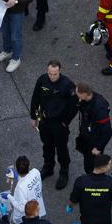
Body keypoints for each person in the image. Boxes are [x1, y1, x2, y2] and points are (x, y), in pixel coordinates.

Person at [30, 61, 77, 190]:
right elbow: (35, 99)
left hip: (59, 124)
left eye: (55, 74)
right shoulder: (42, 80)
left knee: (61, 148)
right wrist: (35, 117)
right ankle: (48, 167)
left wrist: (65, 122)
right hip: (45, 121)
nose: (52, 76)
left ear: (60, 71)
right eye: (50, 73)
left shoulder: (67, 85)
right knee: (47, 145)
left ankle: (64, 172)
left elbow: (74, 105)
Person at [75, 83, 112, 175]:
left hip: (94, 142)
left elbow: (108, 132)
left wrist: (98, 147)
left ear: (84, 94)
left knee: (93, 167)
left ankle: (94, 181)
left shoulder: (99, 109)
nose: (77, 96)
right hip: (87, 136)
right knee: (88, 162)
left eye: (78, 94)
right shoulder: (86, 99)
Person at [7, 156, 46, 224]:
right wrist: (17, 176)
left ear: (17, 169)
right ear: (29, 165)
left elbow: (22, 208)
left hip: (25, 216)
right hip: (37, 207)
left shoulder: (20, 187)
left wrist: (9, 197)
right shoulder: (36, 172)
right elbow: (28, 180)